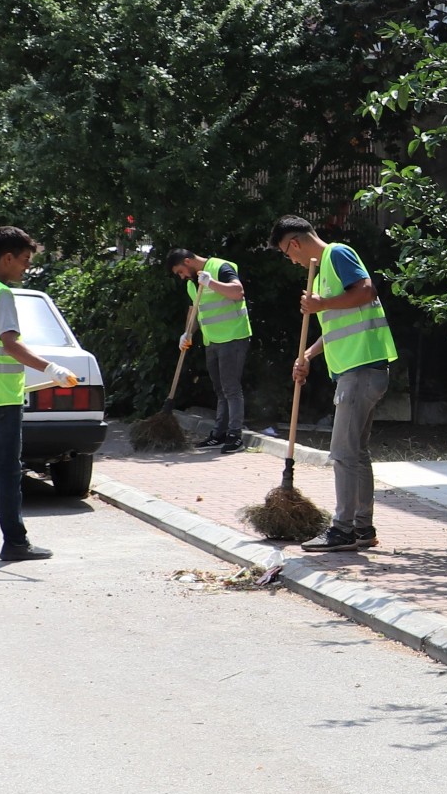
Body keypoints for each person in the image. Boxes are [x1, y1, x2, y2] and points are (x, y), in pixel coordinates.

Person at [0, 225, 78, 563]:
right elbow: (10, 345)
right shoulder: (0, 294)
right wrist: (51, 369)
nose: (25, 267)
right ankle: (15, 543)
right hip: (0, 397)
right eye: (23, 260)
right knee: (7, 470)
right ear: (6, 258)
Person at [269, 216, 395, 554]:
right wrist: (308, 355)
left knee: (342, 453)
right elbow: (339, 324)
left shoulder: (337, 254)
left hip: (361, 369)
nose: (291, 260)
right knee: (356, 453)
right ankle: (362, 528)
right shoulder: (324, 270)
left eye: (286, 252)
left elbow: (366, 291)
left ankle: (342, 530)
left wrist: (321, 303)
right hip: (358, 370)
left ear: (294, 243)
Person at [164, 247, 251, 452]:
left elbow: (238, 292)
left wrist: (210, 282)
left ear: (187, 262)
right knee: (220, 389)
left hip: (233, 336)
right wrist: (188, 333)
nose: (182, 277)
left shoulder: (220, 267)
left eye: (180, 272)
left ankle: (235, 436)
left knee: (231, 388)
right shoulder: (192, 284)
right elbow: (194, 310)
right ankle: (219, 433)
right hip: (212, 340)